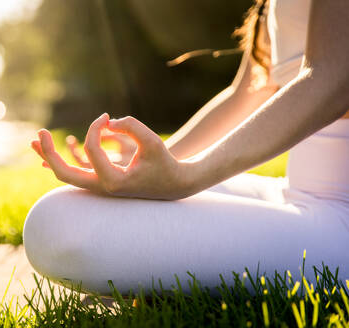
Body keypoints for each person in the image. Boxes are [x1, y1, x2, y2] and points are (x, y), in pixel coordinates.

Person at [24, 0, 349, 295]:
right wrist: (150, 163)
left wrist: (187, 178)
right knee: (73, 204)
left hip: (341, 219)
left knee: (57, 225)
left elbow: (335, 78)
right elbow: (248, 93)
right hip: (297, 194)